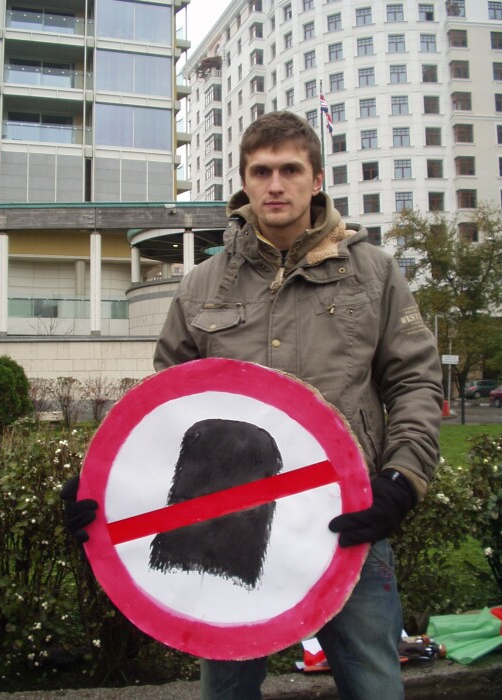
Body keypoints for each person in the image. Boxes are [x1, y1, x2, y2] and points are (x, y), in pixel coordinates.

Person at [63, 111, 443, 700]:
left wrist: (401, 480)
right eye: (261, 171)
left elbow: (416, 381)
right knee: (226, 693)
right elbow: (164, 410)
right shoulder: (202, 284)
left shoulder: (374, 273)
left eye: (291, 170)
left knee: (374, 685)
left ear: (317, 179)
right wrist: (103, 486)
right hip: (222, 527)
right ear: (244, 181)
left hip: (349, 520)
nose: (276, 185)